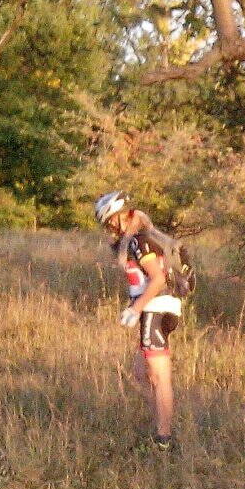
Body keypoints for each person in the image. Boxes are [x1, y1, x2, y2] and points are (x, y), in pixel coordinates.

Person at [94, 190, 181, 451]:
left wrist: (135, 309)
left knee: (159, 376)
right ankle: (160, 424)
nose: (109, 228)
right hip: (152, 310)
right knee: (142, 372)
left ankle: (164, 438)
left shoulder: (139, 241)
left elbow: (158, 279)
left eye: (110, 222)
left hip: (157, 309)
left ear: (120, 217)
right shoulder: (134, 240)